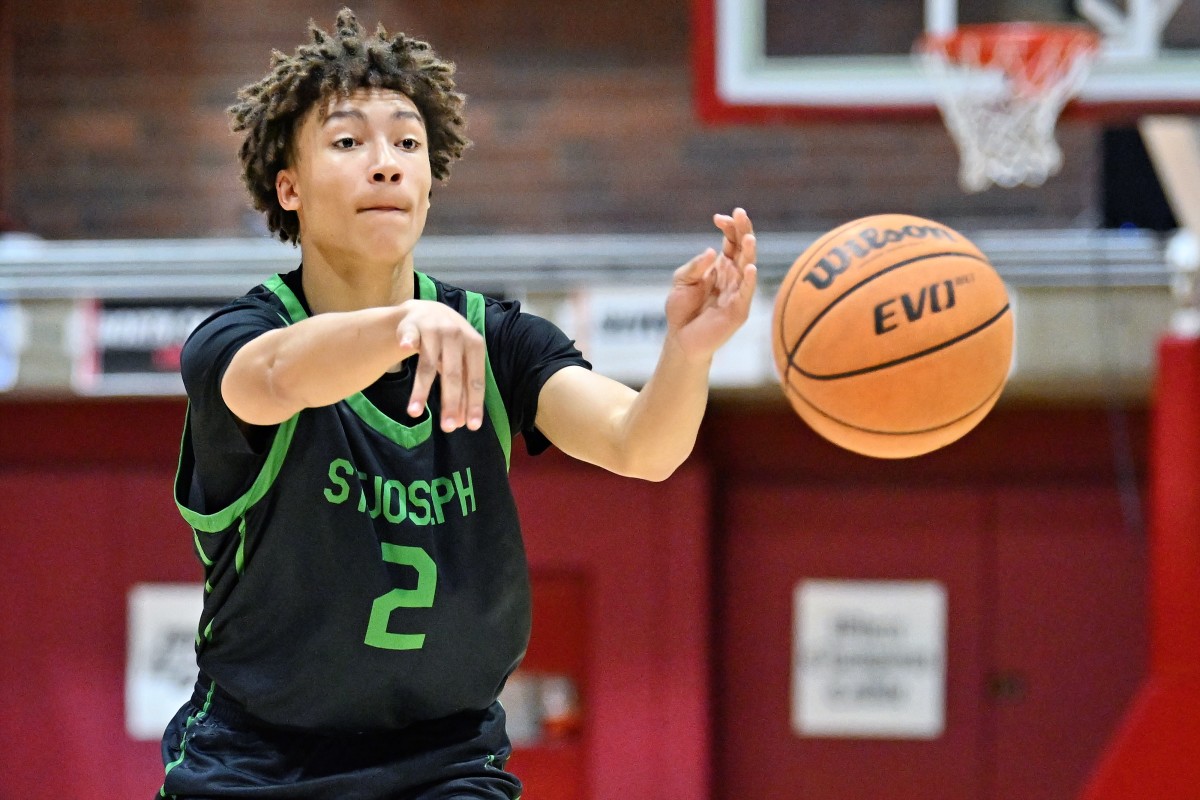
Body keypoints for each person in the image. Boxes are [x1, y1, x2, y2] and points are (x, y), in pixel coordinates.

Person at [159, 7, 757, 799]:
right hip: (258, 764)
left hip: (445, 764)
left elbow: (640, 446)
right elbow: (276, 378)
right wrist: (401, 327)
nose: (386, 165)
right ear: (289, 186)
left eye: (408, 143)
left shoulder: (499, 340)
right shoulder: (239, 337)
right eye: (348, 142)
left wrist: (688, 353)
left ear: (431, 182)